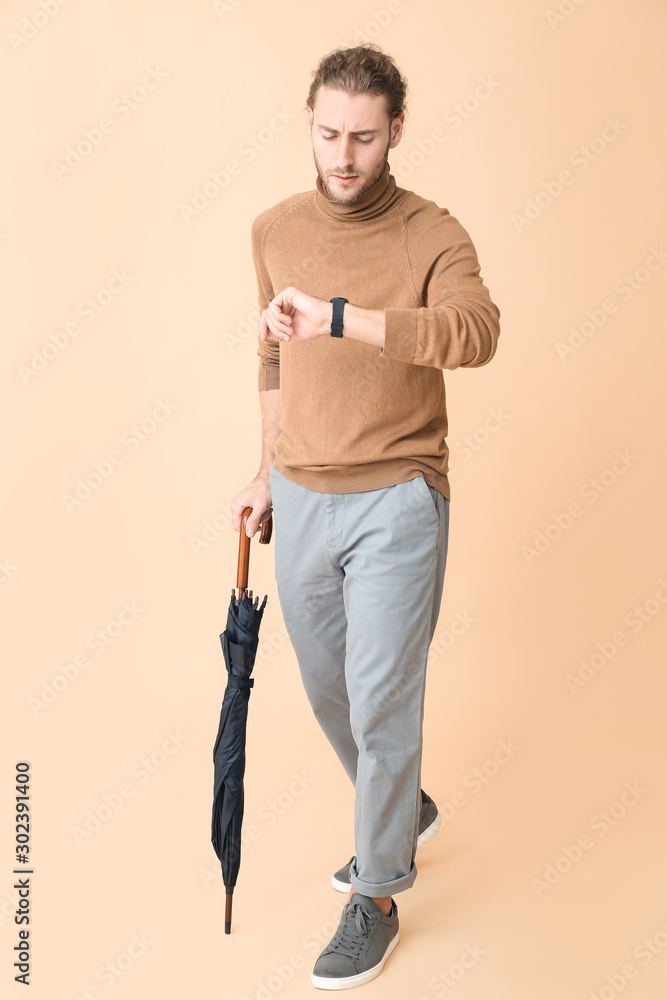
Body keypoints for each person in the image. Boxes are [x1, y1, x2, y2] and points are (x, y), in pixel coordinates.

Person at [231, 43, 500, 991]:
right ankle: (404, 805)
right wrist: (264, 474)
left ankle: (377, 893)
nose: (343, 156)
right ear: (308, 123)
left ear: (394, 132)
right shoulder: (271, 229)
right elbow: (271, 360)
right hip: (301, 492)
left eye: (363, 136)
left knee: (384, 696)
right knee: (326, 690)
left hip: (397, 493)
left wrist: (344, 316)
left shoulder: (433, 233)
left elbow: (473, 332)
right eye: (328, 133)